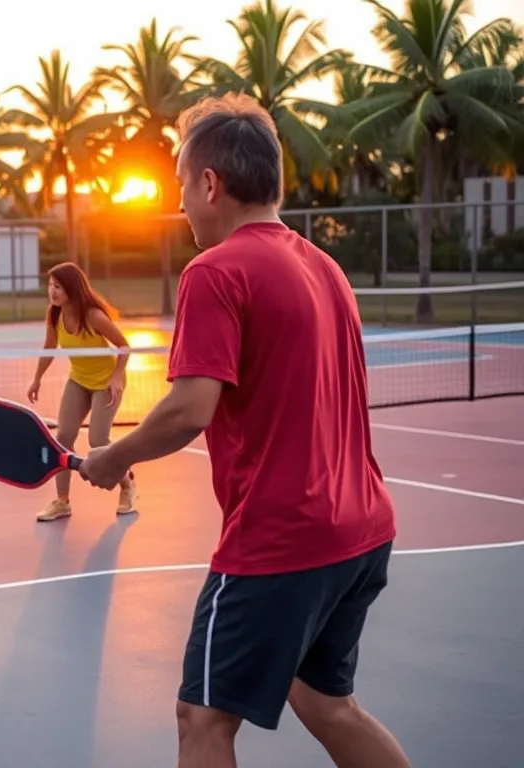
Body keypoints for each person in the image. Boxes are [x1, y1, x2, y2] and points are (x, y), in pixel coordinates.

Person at [78, 94, 410, 768]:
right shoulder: (327, 269)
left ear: (210, 182)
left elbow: (191, 408)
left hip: (281, 540)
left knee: (201, 719)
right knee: (327, 704)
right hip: (362, 530)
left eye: (180, 187)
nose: (181, 206)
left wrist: (114, 457)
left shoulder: (216, 271)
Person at [28, 261, 138, 522]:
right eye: (50, 286)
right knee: (62, 438)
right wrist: (37, 379)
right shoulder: (55, 315)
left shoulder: (93, 316)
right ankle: (62, 501)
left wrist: (116, 378)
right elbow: (49, 346)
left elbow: (124, 346)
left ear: (72, 289)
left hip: (105, 384)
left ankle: (127, 484)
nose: (52, 292)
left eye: (58, 287)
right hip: (79, 380)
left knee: (98, 442)